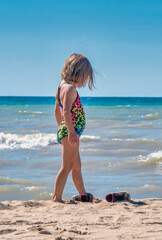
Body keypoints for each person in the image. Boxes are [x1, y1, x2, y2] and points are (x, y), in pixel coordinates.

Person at [52, 53, 94, 203]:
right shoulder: (70, 89)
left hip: (69, 131)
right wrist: (70, 132)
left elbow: (57, 111)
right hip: (71, 133)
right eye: (85, 76)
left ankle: (83, 194)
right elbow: (66, 111)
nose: (85, 80)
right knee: (67, 167)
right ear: (79, 73)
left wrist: (63, 128)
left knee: (76, 166)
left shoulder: (60, 87)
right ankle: (56, 198)